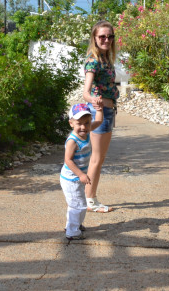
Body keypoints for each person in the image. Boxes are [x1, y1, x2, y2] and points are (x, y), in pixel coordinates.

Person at [82, 20, 118, 213]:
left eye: (110, 36)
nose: (106, 40)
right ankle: (90, 200)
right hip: (100, 112)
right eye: (102, 36)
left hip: (108, 111)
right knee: (96, 159)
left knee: (99, 158)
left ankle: (90, 197)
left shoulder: (106, 58)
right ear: (94, 38)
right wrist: (95, 101)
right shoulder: (94, 60)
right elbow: (86, 92)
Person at [60, 103, 104, 240]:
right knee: (78, 205)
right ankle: (72, 232)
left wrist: (99, 110)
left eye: (87, 123)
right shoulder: (73, 141)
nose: (83, 127)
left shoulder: (87, 131)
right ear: (71, 123)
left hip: (77, 178)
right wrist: (81, 174)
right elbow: (68, 160)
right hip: (71, 179)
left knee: (78, 203)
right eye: (79, 123)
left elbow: (99, 121)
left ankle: (74, 225)